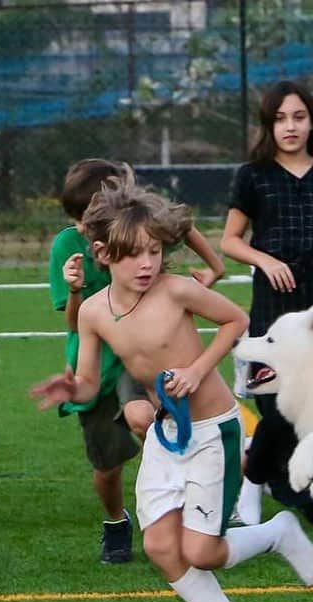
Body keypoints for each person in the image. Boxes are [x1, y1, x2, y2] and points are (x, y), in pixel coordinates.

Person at [32, 176, 313, 602]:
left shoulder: (177, 290)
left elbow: (235, 320)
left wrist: (197, 369)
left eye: (153, 251)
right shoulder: (94, 313)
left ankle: (277, 532)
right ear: (104, 254)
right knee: (161, 547)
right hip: (168, 435)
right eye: (132, 255)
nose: (146, 263)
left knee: (203, 551)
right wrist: (71, 389)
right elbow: (85, 381)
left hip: (213, 430)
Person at [49, 159, 226, 563]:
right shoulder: (67, 247)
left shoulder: (137, 233)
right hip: (94, 362)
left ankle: (186, 502)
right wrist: (75, 290)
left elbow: (181, 227)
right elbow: (75, 322)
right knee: (107, 463)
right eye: (78, 219)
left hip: (139, 358)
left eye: (87, 216)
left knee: (147, 418)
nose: (82, 226)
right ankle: (116, 521)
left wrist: (215, 268)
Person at [220, 80, 313, 531]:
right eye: (281, 118)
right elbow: (229, 240)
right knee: (275, 405)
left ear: (312, 123)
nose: (290, 127)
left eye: (299, 117)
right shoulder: (252, 174)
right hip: (272, 302)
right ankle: (256, 478)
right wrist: (265, 259)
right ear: (269, 124)